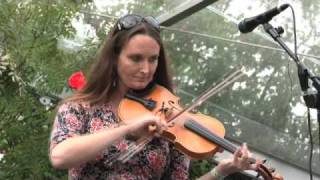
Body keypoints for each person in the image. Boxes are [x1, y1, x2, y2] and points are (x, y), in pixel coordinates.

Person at [49, 14, 257, 180]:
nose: (146, 69)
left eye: (153, 59)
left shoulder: (170, 122)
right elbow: (60, 156)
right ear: (114, 57)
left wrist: (222, 171)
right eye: (135, 58)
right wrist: (127, 128)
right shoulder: (82, 107)